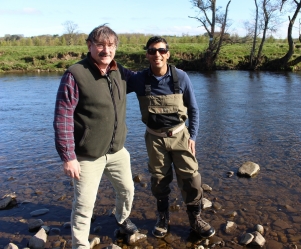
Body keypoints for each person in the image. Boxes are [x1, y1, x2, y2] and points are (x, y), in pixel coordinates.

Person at [53, 24, 138, 249]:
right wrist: (68, 156)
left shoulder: (120, 71)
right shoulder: (75, 74)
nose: (106, 50)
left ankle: (121, 218)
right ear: (89, 45)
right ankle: (80, 245)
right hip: (87, 155)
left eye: (110, 45)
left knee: (127, 190)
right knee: (84, 205)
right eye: (100, 44)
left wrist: (170, 74)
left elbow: (146, 80)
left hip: (117, 151)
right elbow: (63, 118)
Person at [127, 36, 215, 239]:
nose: (156, 54)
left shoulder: (181, 77)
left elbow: (194, 109)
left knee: (192, 178)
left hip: (180, 135)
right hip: (154, 139)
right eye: (151, 51)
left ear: (168, 53)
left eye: (161, 50)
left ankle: (195, 219)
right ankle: (163, 218)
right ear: (147, 55)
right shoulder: (139, 79)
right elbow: (114, 86)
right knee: (159, 180)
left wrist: (192, 136)